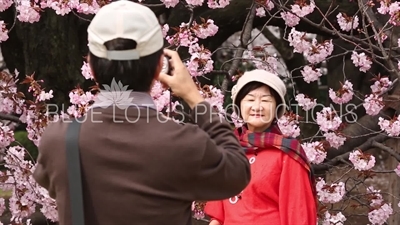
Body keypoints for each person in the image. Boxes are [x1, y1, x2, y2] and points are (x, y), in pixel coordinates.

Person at [32, 1, 251, 225]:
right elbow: (237, 172)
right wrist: (195, 98)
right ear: (159, 66)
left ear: (92, 66)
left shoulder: (59, 141)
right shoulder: (183, 143)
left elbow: (48, 181)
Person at [204, 69, 318, 225]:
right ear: (239, 106)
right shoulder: (228, 147)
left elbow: (299, 215)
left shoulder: (287, 153)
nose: (257, 107)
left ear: (277, 108)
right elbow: (217, 216)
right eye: (250, 99)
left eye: (265, 100)